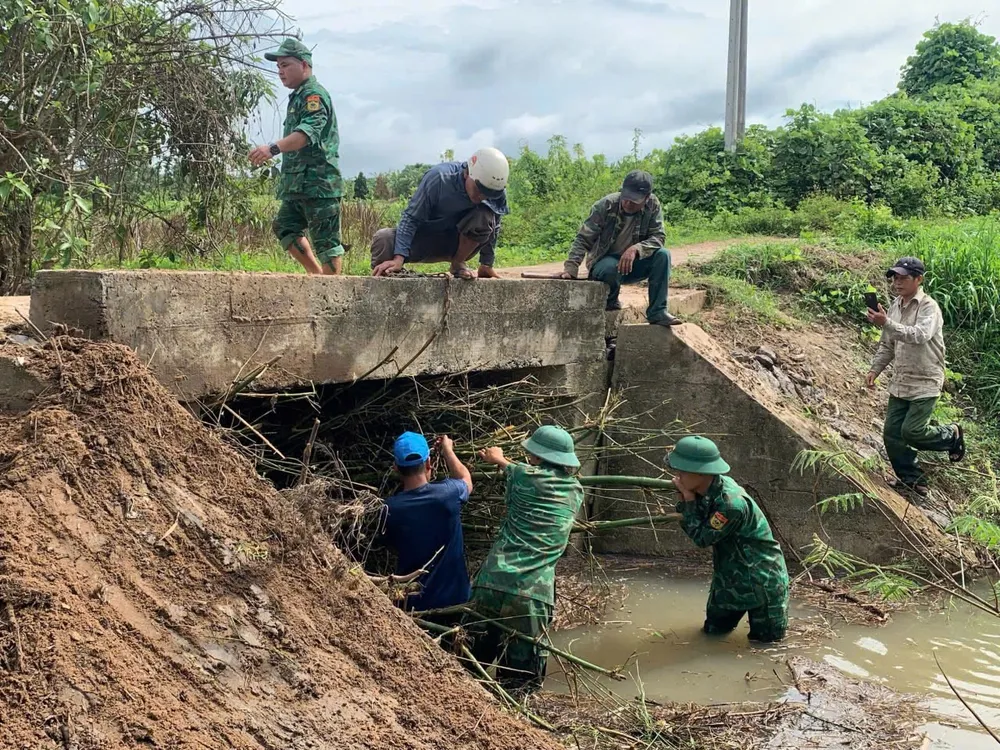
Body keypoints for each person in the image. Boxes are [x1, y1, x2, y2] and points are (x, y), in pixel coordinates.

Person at [464, 425, 584, 695]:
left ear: (536, 456)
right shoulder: (576, 491)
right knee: (520, 682)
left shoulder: (520, 474)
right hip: (532, 594)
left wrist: (497, 456)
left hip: (492, 582)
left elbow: (512, 469)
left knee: (468, 665)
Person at [667, 436, 789, 643]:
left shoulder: (731, 505)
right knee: (712, 636)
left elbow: (702, 537)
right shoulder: (710, 489)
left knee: (766, 646)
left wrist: (687, 501)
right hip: (729, 580)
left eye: (682, 470)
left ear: (701, 472)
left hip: (763, 581)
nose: (677, 475)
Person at [866, 256, 965, 496]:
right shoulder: (894, 307)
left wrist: (886, 322)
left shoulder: (928, 306)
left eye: (903, 278)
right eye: (895, 278)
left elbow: (919, 335)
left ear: (918, 279)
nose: (897, 283)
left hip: (926, 380)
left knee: (912, 431)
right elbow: (888, 345)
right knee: (891, 433)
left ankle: (951, 435)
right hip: (901, 380)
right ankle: (913, 480)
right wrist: (874, 369)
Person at [250, 38, 345, 275]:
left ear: (304, 65)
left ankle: (331, 299)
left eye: (286, 65)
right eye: (278, 67)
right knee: (285, 227)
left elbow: (305, 134)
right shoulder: (298, 96)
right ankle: (317, 278)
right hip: (296, 185)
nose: (280, 71)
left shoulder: (314, 95)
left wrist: (272, 148)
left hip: (319, 186)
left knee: (327, 244)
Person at [561, 170, 681, 326]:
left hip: (635, 264)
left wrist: (636, 249)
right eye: (626, 198)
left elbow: (659, 237)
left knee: (663, 255)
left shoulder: (653, 205)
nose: (628, 203)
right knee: (610, 267)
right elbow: (583, 238)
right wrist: (571, 267)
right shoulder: (605, 205)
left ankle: (658, 312)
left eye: (635, 201)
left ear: (646, 198)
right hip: (605, 263)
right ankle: (610, 302)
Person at [370, 148, 510, 280]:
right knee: (383, 238)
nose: (482, 196)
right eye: (479, 189)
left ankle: (458, 263)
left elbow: (494, 224)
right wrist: (398, 258)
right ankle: (385, 282)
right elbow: (411, 218)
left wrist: (486, 263)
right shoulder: (439, 179)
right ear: (467, 173)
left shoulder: (496, 190)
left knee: (484, 215)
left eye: (488, 194)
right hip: (425, 239)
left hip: (460, 245)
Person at [381, 431, 474, 616]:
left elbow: (390, 546)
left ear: (396, 468)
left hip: (412, 606)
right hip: (456, 602)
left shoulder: (388, 509)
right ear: (429, 463)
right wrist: (448, 450)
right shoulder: (449, 494)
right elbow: (467, 480)